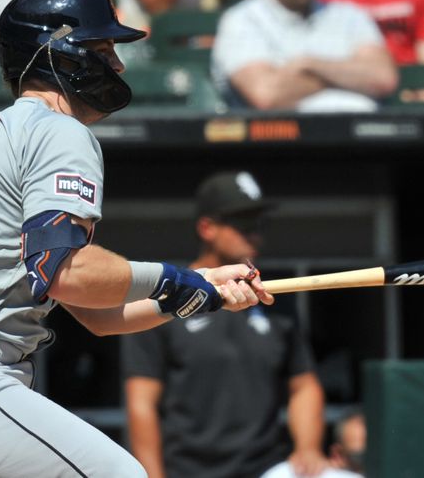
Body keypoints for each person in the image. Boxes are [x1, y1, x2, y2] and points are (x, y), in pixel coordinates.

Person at [0, 0, 273, 477]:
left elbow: (99, 316)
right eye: (102, 49)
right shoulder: (59, 129)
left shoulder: (16, 129)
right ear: (60, 56)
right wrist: (173, 276)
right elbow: (67, 274)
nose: (117, 65)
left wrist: (191, 293)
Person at [122, 170, 328, 478]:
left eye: (260, 224)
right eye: (244, 223)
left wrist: (308, 448)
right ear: (207, 227)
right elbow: (141, 403)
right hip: (188, 471)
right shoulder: (164, 299)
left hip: (267, 469)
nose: (255, 234)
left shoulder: (275, 299)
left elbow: (305, 386)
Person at [211, 0, 397, 113]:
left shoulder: (349, 15)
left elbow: (384, 78)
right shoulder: (242, 20)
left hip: (363, 138)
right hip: (284, 142)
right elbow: (266, 95)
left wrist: (309, 65)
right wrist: (348, 78)